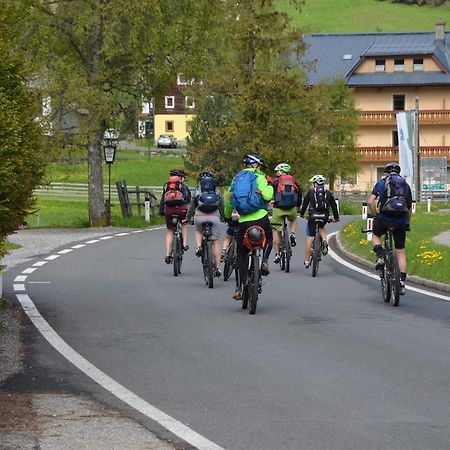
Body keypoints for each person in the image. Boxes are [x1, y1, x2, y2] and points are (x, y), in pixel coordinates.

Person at [224, 153, 274, 300]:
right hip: (261, 218)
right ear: (256, 165)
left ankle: (239, 288)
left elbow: (228, 198)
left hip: (243, 220)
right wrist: (269, 186)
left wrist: (227, 215)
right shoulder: (260, 177)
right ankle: (264, 261)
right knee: (270, 239)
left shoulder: (237, 178)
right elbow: (267, 196)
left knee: (241, 254)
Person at [367, 162, 413, 295]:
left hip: (384, 218)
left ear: (386, 173)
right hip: (401, 221)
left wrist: (376, 215)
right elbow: (409, 208)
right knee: (400, 251)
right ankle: (402, 282)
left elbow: (370, 201)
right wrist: (406, 223)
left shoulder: (382, 183)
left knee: (375, 235)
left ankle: (380, 255)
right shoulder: (405, 185)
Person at [185, 171, 224, 277]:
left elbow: (192, 206)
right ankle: (218, 268)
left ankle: (199, 246)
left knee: (198, 230)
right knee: (215, 242)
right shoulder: (216, 190)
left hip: (200, 217)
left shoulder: (197, 190)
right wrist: (223, 217)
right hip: (214, 217)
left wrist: (188, 218)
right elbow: (221, 205)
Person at [299, 174, 339, 268]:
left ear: (314, 184)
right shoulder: (328, 193)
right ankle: (324, 240)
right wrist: (336, 218)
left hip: (313, 215)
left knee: (310, 236)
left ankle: (307, 260)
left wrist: (301, 214)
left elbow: (305, 204)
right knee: (321, 226)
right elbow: (334, 206)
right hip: (324, 216)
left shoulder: (311, 192)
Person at [270, 163, 302, 264]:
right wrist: (298, 206)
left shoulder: (275, 181)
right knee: (293, 219)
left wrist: (270, 202)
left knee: (275, 230)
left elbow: (270, 194)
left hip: (278, 209)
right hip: (291, 208)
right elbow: (299, 193)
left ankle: (277, 254)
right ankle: (292, 234)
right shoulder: (294, 181)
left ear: (280, 171)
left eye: (277, 171)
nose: (276, 173)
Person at [158, 169, 191, 264]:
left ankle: (168, 254)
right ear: (182, 177)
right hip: (181, 210)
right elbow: (188, 200)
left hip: (169, 210)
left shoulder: (166, 186)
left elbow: (162, 200)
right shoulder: (183, 186)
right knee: (184, 223)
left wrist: (161, 212)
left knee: (170, 230)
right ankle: (184, 243)